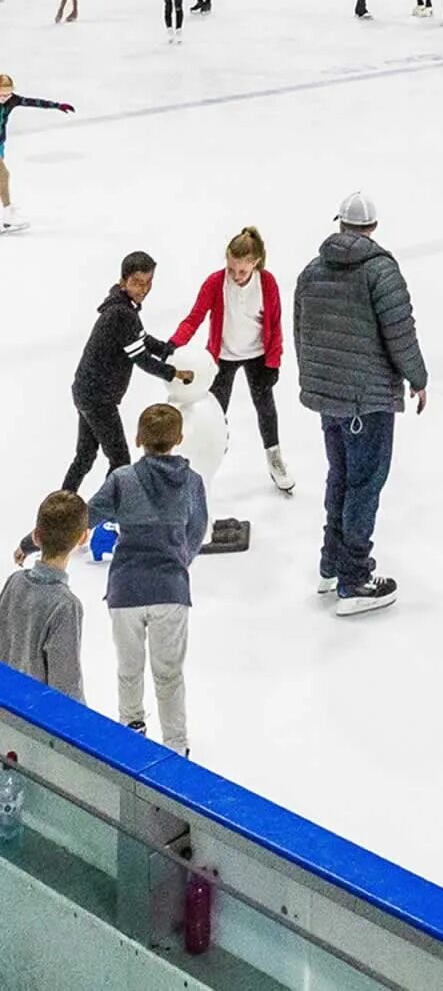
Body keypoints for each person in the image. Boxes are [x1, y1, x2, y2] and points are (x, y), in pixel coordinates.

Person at [292, 191, 426, 617]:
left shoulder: (311, 273)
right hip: (366, 401)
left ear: (340, 224)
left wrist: (316, 385)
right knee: (364, 483)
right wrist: (418, 378)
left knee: (340, 477)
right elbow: (400, 331)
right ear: (373, 228)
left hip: (330, 399)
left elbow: (301, 332)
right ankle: (353, 578)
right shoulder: (381, 272)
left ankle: (331, 563)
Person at [93, 404, 206, 754]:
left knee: (128, 668)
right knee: (169, 674)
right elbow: (197, 531)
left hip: (125, 590)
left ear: (138, 438)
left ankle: (131, 730)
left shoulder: (122, 479)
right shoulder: (192, 482)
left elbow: (86, 515)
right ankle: (175, 745)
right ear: (179, 440)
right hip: (171, 591)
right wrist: (177, 560)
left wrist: (37, 538)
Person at [167, 226, 293, 494]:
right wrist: (172, 345)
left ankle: (274, 456)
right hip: (222, 357)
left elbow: (276, 325)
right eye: (232, 269)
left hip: (258, 355)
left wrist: (274, 362)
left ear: (255, 263)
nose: (236, 276)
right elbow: (194, 318)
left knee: (265, 407)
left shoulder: (267, 283)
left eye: (243, 271)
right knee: (213, 412)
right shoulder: (215, 282)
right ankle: (209, 455)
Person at [62, 251, 194, 495]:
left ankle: (63, 508)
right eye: (137, 283)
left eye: (148, 283)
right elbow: (141, 358)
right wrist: (175, 373)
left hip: (86, 392)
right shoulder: (121, 314)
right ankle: (105, 514)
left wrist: (166, 349)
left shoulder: (124, 306)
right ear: (123, 281)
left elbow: (142, 340)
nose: (143, 289)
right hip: (98, 398)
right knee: (120, 460)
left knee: (85, 456)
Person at [0, 492, 88, 701]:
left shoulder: (15, 582)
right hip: (34, 721)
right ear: (83, 537)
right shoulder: (65, 606)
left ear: (36, 536)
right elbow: (66, 685)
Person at [0, 74, 76, 230]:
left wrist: (57, 105)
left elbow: (34, 102)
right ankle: (7, 213)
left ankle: (7, 215)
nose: (4, 98)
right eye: (1, 94)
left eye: (7, 94)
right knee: (4, 175)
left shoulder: (12, 100)